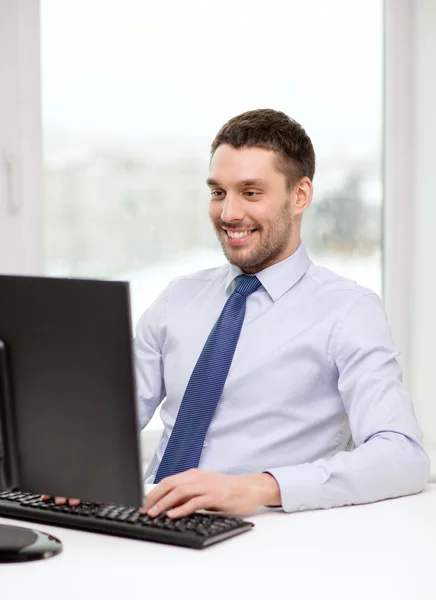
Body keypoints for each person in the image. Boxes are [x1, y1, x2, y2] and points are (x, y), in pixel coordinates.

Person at [46, 109, 430, 515]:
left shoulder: (349, 312)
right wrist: (72, 463)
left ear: (299, 196)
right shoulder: (178, 298)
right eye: (218, 192)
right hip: (146, 520)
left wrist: (259, 488)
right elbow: (112, 422)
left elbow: (402, 456)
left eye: (250, 193)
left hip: (256, 540)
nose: (228, 214)